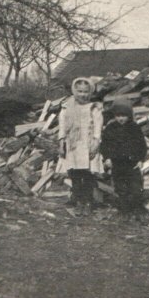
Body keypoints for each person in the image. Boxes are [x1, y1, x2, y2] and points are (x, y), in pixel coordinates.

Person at [100, 97, 148, 222]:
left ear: (129, 115)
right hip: (117, 164)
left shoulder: (134, 128)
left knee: (136, 187)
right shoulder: (110, 128)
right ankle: (124, 211)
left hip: (132, 163)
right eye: (118, 115)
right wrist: (107, 158)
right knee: (121, 188)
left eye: (124, 115)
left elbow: (141, 145)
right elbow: (105, 145)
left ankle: (136, 209)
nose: (121, 118)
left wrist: (140, 159)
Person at [59, 77, 103, 211]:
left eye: (85, 92)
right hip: (73, 144)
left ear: (90, 93)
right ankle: (76, 197)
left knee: (88, 173)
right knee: (74, 172)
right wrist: (61, 143)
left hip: (88, 143)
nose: (82, 94)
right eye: (79, 91)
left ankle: (88, 200)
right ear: (74, 91)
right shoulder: (67, 107)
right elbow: (62, 127)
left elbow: (97, 127)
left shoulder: (94, 108)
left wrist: (96, 143)